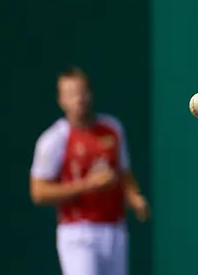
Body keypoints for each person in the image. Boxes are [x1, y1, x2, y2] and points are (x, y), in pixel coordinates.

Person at [29, 66, 149, 275]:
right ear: (61, 100)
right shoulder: (53, 140)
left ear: (90, 93)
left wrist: (134, 197)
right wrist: (87, 185)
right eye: (71, 94)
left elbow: (124, 173)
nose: (79, 99)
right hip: (77, 233)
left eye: (82, 92)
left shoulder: (112, 128)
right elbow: (38, 193)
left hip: (115, 230)